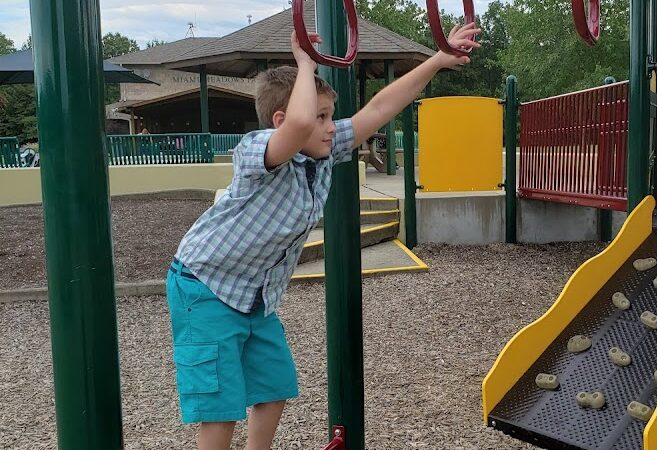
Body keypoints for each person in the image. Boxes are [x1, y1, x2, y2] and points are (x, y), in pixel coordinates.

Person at [166, 23, 480, 450]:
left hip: (253, 296)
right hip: (204, 286)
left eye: (331, 117)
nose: (332, 127)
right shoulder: (257, 152)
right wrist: (303, 63)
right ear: (283, 121)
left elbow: (381, 107)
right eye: (322, 117)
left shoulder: (324, 150)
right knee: (220, 404)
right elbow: (296, 124)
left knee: (274, 387)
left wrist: (438, 61)